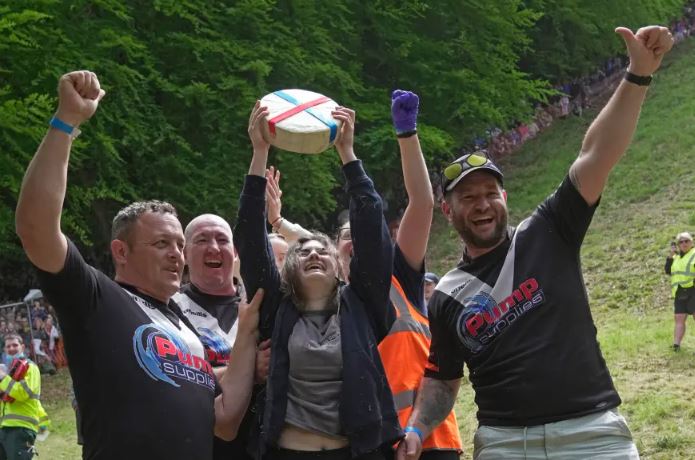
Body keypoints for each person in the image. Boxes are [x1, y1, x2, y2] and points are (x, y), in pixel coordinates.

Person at [397, 26, 674, 460]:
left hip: (592, 435)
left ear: (505, 198)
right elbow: (441, 378)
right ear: (448, 213)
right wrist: (417, 426)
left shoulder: (548, 230)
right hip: (505, 445)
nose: (482, 204)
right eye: (468, 198)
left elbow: (596, 153)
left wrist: (637, 76)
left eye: (490, 193)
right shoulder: (446, 293)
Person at [15, 70, 261, 459]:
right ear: (121, 251)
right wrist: (66, 123)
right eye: (161, 243)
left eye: (179, 244)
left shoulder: (187, 333)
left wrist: (247, 331)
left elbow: (226, 420)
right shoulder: (98, 297)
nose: (176, 255)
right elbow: (35, 228)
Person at [264, 90, 462, 459]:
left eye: (363, 235)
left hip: (432, 439)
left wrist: (407, 134)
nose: (355, 241)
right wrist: (277, 222)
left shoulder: (399, 277)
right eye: (345, 238)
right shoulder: (326, 307)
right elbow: (311, 245)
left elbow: (422, 202)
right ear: (335, 257)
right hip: (372, 446)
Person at [236, 101, 401, 459]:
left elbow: (373, 230)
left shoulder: (362, 303)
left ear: (341, 267)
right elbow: (249, 239)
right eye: (303, 250)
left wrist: (348, 154)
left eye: (323, 250)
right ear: (289, 268)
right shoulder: (276, 308)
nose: (312, 253)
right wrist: (260, 153)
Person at [173, 213, 271, 460]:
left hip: (261, 444)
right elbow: (173, 377)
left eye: (222, 239)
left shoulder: (261, 306)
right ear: (185, 253)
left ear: (235, 252)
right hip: (200, 444)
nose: (213, 247)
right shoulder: (169, 309)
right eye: (202, 240)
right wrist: (249, 370)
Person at [0, 334, 42, 459]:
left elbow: (23, 393)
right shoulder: (6, 371)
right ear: (4, 350)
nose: (11, 348)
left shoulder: (30, 367)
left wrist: (3, 378)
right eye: (8, 346)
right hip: (3, 428)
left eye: (15, 345)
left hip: (21, 428)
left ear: (22, 347)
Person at [664, 232, 695, 351]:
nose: (684, 244)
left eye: (686, 241)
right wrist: (670, 255)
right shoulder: (675, 257)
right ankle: (676, 346)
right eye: (681, 242)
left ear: (691, 242)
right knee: (679, 318)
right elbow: (668, 270)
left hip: (693, 290)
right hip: (680, 291)